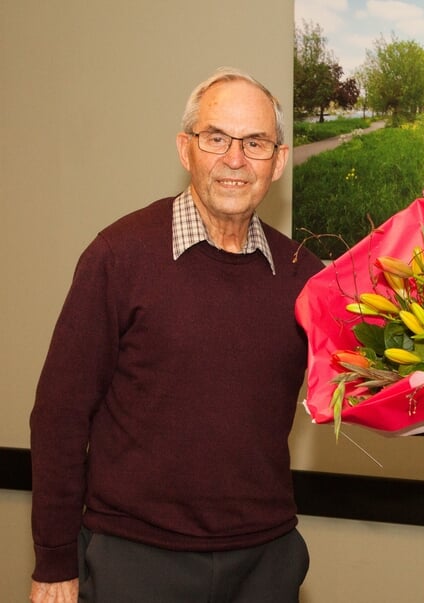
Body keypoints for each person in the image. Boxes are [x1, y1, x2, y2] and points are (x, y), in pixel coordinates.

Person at [29, 68, 325, 602]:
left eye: (255, 142)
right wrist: (54, 562)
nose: (235, 159)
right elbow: (60, 414)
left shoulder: (305, 275)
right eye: (216, 138)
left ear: (278, 161)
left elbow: (374, 388)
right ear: (185, 149)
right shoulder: (118, 257)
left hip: (265, 564)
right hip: (134, 562)